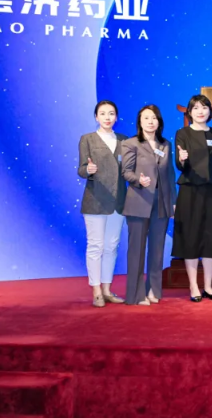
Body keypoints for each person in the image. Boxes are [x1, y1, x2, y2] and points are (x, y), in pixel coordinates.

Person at [173, 95, 212, 303]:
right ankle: (193, 286)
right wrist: (182, 159)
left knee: (211, 237)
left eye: (204, 107)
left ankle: (208, 286)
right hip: (191, 191)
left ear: (210, 111)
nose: (200, 111)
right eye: (195, 108)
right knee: (191, 236)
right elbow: (179, 164)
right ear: (189, 112)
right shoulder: (183, 134)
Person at [121, 105, 177, 306]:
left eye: (154, 118)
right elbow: (126, 171)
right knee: (136, 250)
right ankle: (135, 295)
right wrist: (138, 180)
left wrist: (173, 202)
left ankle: (153, 290)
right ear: (140, 121)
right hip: (139, 202)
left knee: (157, 249)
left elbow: (170, 175)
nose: (151, 121)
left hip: (161, 203)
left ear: (159, 121)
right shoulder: (130, 143)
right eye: (146, 118)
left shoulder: (165, 144)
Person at [77, 100, 128, 308]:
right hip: (96, 200)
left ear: (116, 117)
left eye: (111, 113)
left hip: (118, 201)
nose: (107, 117)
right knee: (95, 246)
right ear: (96, 117)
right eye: (103, 113)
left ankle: (107, 289)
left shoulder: (124, 140)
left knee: (111, 246)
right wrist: (87, 170)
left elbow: (129, 169)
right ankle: (96, 290)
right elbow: (81, 169)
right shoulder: (87, 139)